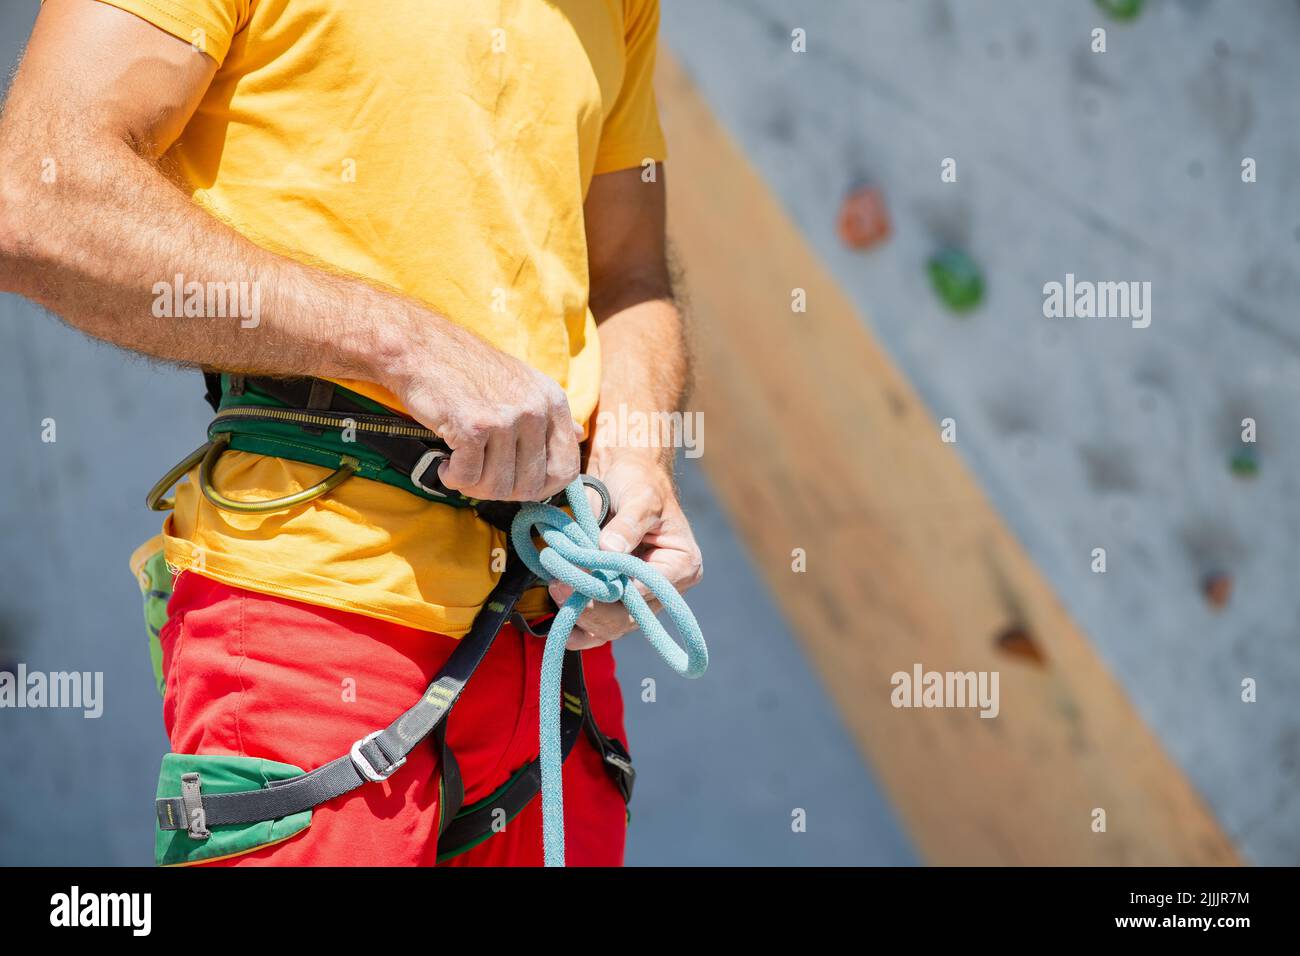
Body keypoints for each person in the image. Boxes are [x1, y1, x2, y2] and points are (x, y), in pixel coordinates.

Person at [0, 0, 702, 866]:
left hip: (555, 646)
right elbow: (38, 192)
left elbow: (629, 273)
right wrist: (397, 343)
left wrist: (638, 459)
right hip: (316, 607)